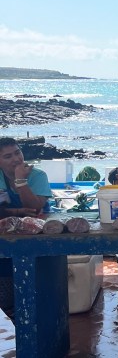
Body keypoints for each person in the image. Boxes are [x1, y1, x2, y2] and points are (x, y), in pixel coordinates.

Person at [0, 137, 53, 321]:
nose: (16, 159)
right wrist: (16, 211)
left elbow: (35, 208)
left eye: (17, 152)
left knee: (38, 283)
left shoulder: (38, 176)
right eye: (8, 156)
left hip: (36, 233)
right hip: (6, 236)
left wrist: (21, 181)